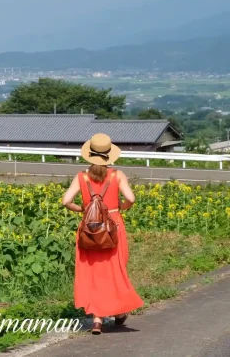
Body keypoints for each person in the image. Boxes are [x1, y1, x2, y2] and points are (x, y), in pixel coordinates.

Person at [61, 133, 145, 335]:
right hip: (113, 227)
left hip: (89, 230)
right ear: (109, 155)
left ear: (89, 154)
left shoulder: (81, 176)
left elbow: (66, 201)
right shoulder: (117, 175)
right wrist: (122, 207)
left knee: (93, 273)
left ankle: (97, 320)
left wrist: (83, 209)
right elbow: (131, 198)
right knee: (115, 271)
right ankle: (118, 312)